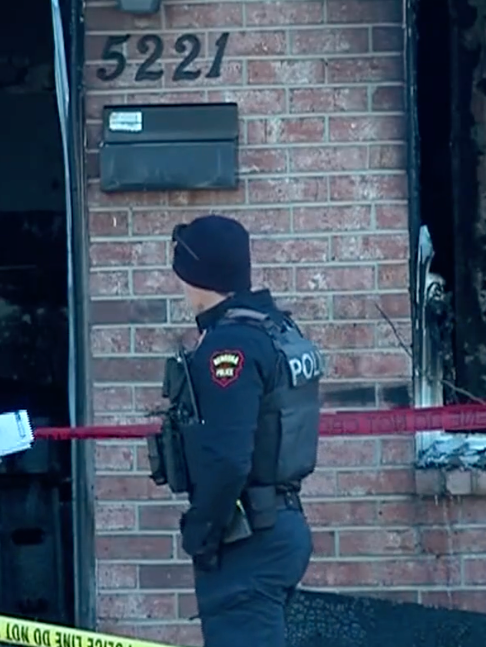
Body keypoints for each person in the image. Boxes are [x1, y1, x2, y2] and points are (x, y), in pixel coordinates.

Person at [166, 215, 324, 647]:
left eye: (183, 275)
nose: (181, 287)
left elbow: (227, 458)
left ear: (199, 276)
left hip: (248, 541)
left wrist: (201, 531)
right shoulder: (275, 329)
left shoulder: (228, 346)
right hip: (280, 525)